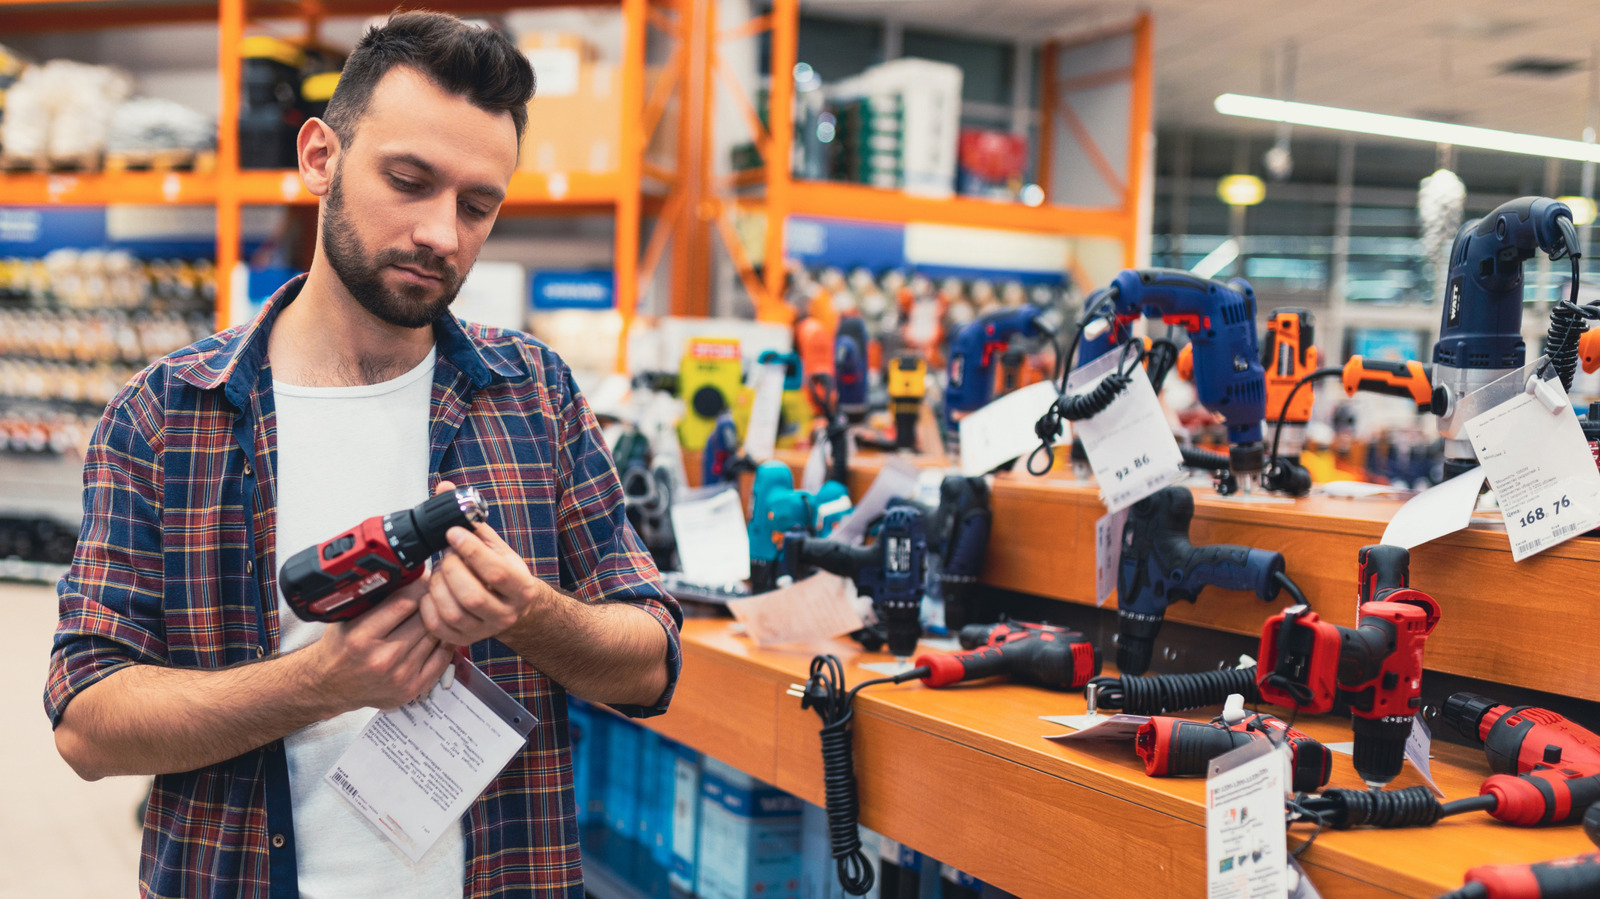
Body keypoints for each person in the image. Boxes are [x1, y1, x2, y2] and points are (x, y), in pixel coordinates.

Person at [44, 12, 681, 898]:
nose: (442, 235)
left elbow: (652, 661)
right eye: (409, 181)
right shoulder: (165, 417)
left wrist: (530, 612)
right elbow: (87, 721)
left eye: (477, 204)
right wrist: (322, 682)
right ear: (319, 158)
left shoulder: (534, 395)